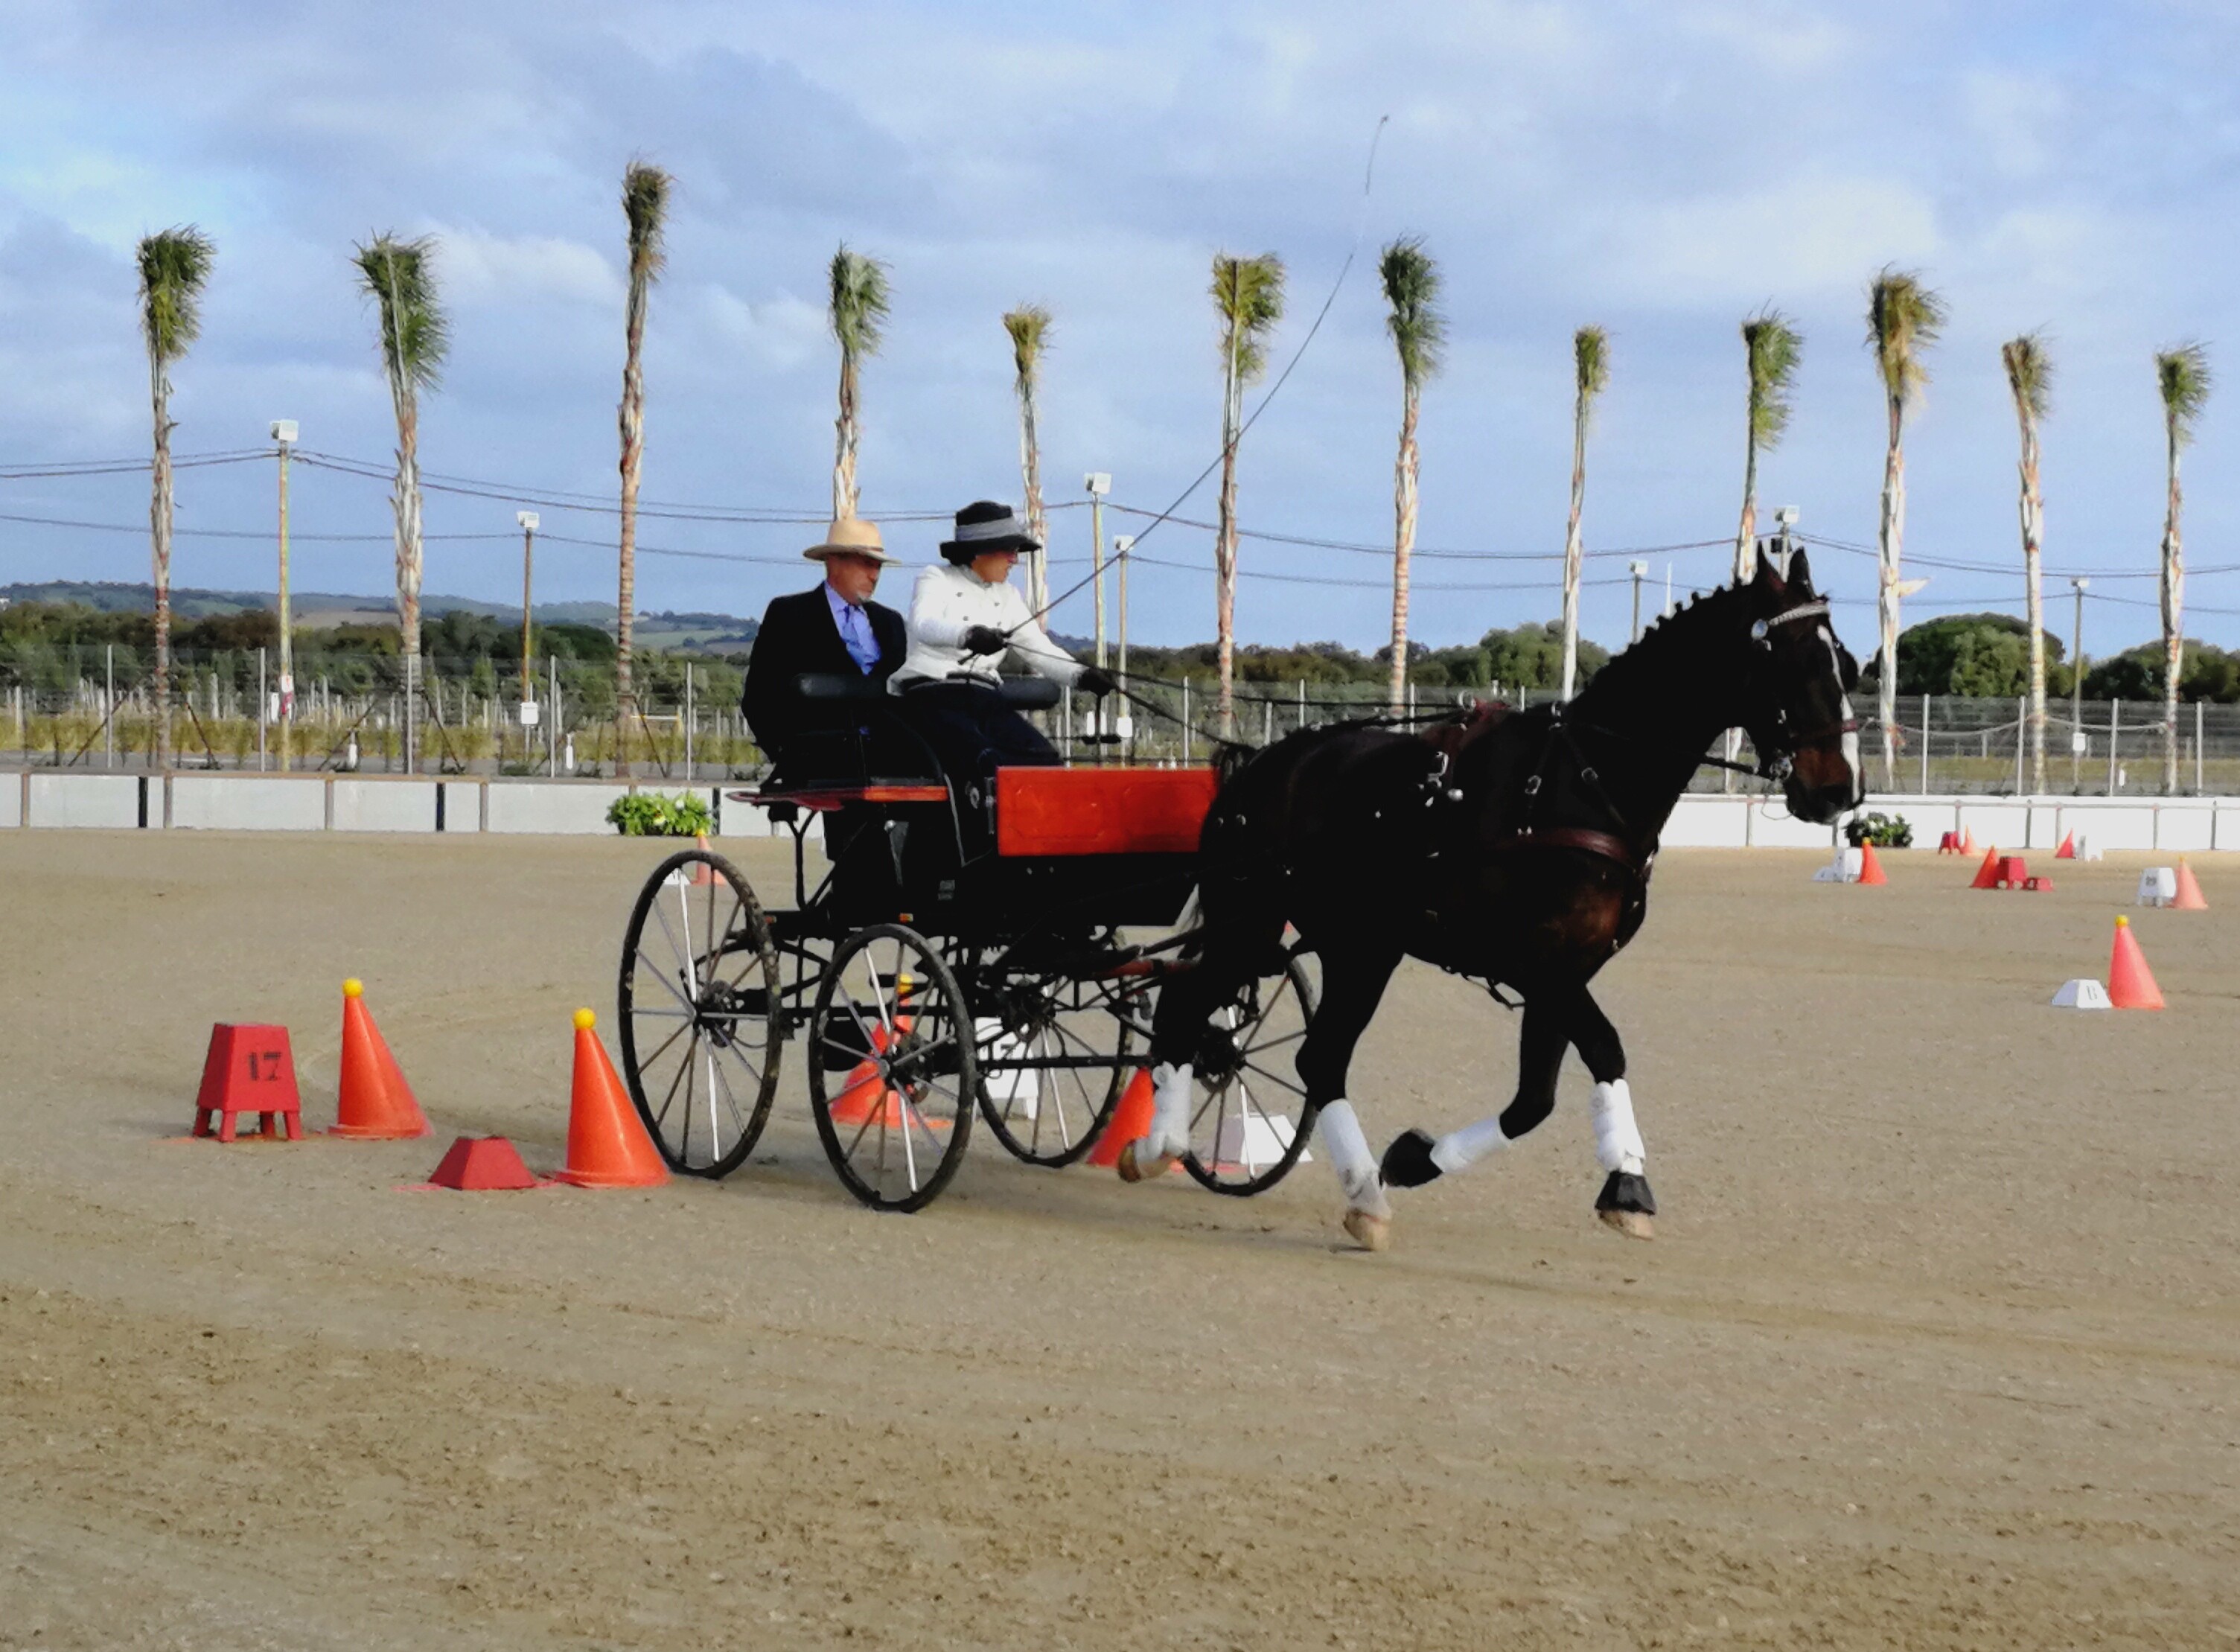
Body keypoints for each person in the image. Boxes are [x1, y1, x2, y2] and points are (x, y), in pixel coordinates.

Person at [890, 500, 1114, 785]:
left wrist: (1082, 675)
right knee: (984, 760)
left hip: (986, 698)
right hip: (934, 695)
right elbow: (923, 624)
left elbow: (1038, 649)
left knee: (1045, 761)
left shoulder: (1008, 595)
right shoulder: (936, 578)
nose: (1014, 560)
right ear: (981, 551)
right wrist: (969, 635)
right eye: (1009, 551)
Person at [739, 518, 910, 782]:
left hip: (888, 761)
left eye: (878, 566)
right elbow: (760, 694)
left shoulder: (891, 623)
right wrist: (785, 752)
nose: (874, 576)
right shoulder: (790, 615)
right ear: (834, 562)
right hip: (815, 762)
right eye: (866, 564)